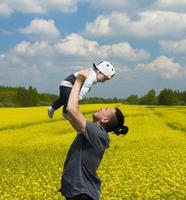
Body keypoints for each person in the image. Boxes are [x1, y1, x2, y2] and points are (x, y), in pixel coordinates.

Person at [59, 69, 129, 200]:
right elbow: (70, 114)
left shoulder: (98, 133)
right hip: (78, 192)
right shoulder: (91, 132)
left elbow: (72, 109)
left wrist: (78, 81)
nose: (102, 108)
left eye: (106, 109)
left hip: (83, 194)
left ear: (105, 120)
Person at [48, 61, 115, 120]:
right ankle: (65, 113)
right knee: (70, 101)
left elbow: (85, 84)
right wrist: (79, 96)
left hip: (65, 85)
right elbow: (86, 86)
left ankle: (52, 108)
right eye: (104, 78)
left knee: (62, 100)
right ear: (99, 71)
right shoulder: (92, 75)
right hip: (68, 85)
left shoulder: (91, 73)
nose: (103, 81)